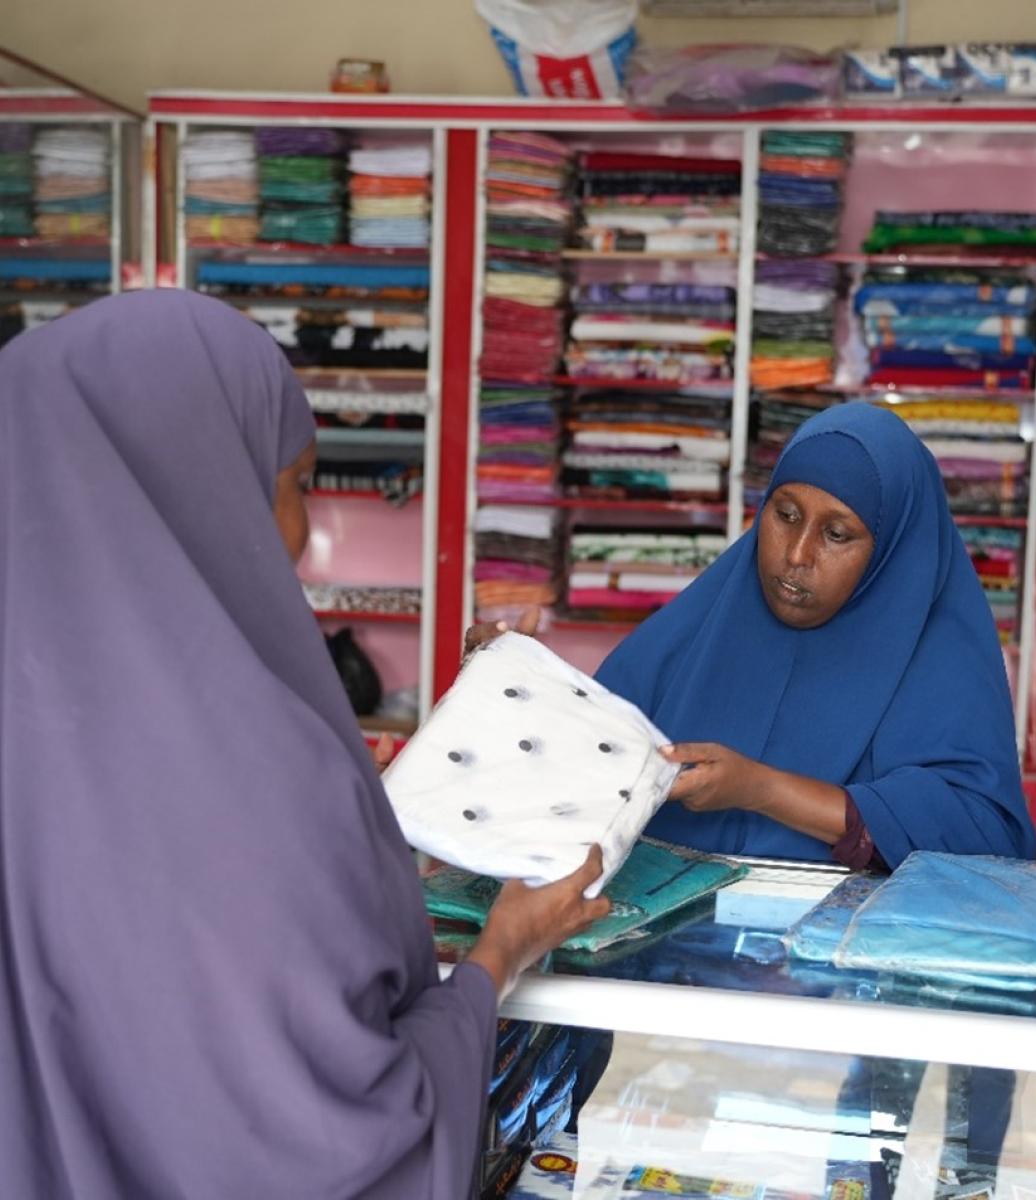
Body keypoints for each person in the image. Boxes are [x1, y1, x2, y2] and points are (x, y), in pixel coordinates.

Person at [0, 289, 608, 1200]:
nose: (299, 533)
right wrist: (497, 960)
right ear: (203, 482)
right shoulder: (254, 776)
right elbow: (340, 1140)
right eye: (294, 485)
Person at [470, 403, 1036, 869]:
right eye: (785, 514)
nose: (796, 555)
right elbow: (579, 770)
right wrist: (512, 689)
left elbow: (982, 837)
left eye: (836, 534)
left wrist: (761, 790)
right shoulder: (698, 630)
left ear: (890, 552)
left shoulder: (940, 661)